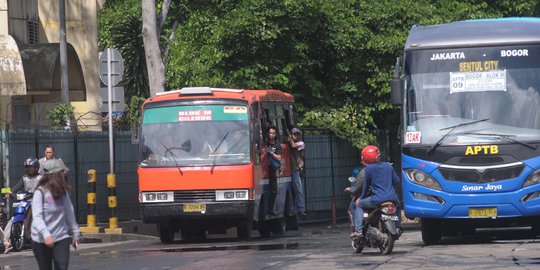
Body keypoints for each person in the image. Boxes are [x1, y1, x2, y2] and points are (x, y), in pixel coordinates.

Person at [31, 159, 80, 270]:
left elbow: (69, 212)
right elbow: (37, 216)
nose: (65, 174)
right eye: (63, 172)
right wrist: (46, 234)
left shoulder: (63, 192)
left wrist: (76, 233)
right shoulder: (40, 192)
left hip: (60, 237)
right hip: (41, 240)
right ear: (55, 175)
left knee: (62, 267)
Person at [350, 145, 401, 238]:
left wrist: (360, 198)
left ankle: (358, 230)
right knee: (397, 206)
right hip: (392, 198)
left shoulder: (369, 169)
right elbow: (397, 181)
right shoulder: (388, 166)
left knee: (359, 205)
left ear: (365, 158)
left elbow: (365, 186)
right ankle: (397, 227)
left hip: (377, 199)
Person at [3, 157, 43, 254]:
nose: (29, 169)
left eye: (31, 167)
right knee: (14, 218)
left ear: (36, 167)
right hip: (26, 201)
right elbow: (16, 187)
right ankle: (6, 241)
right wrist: (10, 192)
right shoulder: (24, 178)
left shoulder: (41, 177)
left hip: (37, 202)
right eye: (27, 167)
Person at [288, 127, 306, 217]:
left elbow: (293, 146)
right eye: (294, 134)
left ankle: (301, 208)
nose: (296, 136)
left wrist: (289, 137)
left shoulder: (301, 143)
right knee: (292, 190)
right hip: (291, 169)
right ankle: (293, 209)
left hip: (296, 168)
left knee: (298, 189)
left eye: (297, 134)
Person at [266, 125, 282, 216]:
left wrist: (271, 153)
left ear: (276, 134)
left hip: (272, 170)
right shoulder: (264, 143)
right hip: (263, 169)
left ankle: (271, 209)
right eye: (270, 133)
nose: (271, 135)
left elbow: (279, 157)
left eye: (273, 133)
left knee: (274, 190)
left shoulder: (277, 145)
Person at [344, 166, 365, 232]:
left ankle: (357, 229)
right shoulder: (385, 168)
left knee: (354, 207)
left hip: (365, 197)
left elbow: (355, 188)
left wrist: (350, 190)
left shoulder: (361, 172)